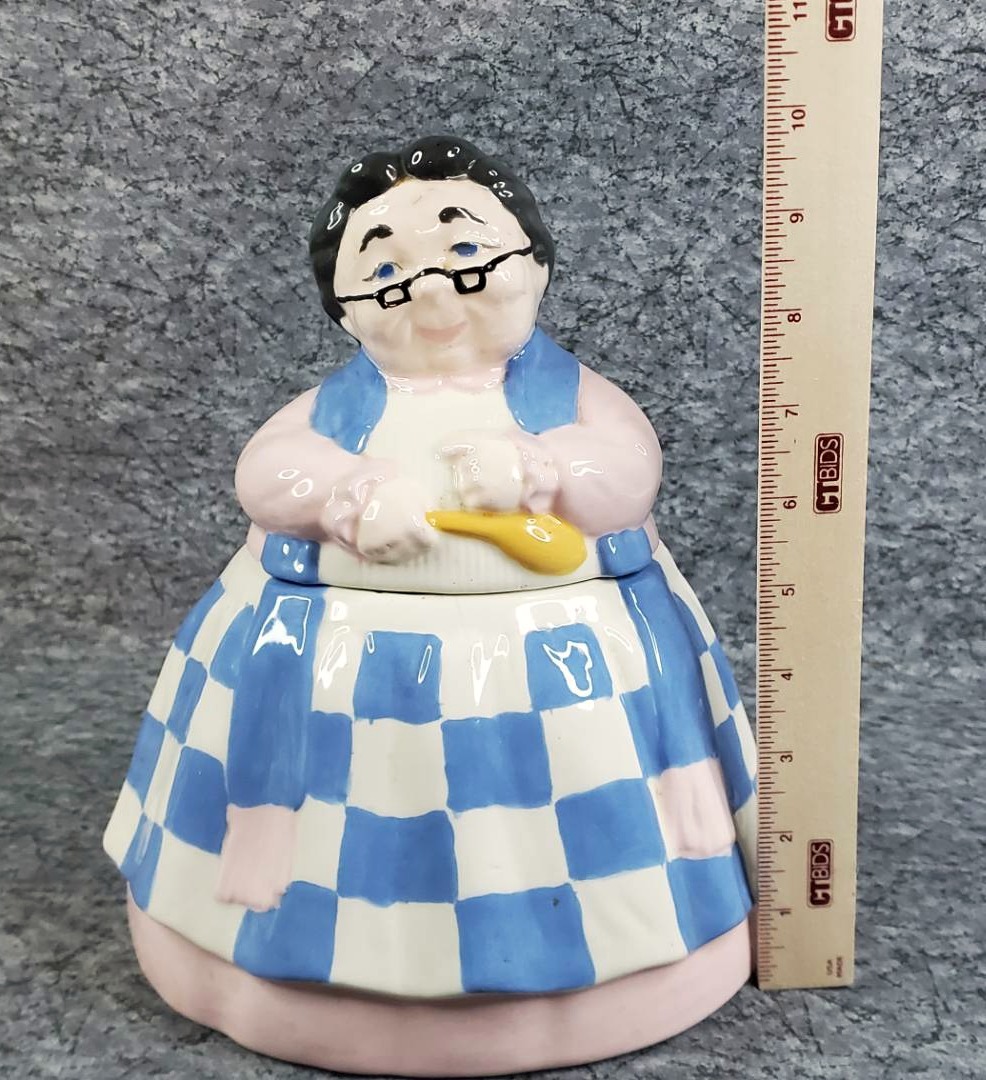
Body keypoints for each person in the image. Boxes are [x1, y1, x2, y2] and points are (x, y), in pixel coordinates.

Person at [104, 135, 757, 1075]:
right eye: (386, 273)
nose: (435, 295)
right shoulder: (333, 412)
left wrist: (543, 471)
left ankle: (617, 959)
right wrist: (344, 493)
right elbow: (269, 471)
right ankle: (288, 957)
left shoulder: (572, 400)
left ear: (535, 264)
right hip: (328, 665)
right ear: (343, 309)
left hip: (568, 664)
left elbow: (626, 472)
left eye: (467, 255)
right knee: (349, 833)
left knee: (577, 835)